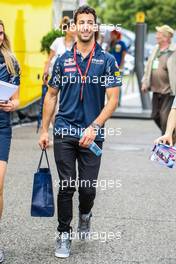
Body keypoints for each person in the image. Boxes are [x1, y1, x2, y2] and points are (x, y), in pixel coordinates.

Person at [39, 5, 121, 258]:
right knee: (67, 185)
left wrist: (95, 127)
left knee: (87, 188)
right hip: (64, 130)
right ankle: (63, 234)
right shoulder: (62, 61)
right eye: (81, 22)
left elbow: (113, 100)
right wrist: (44, 130)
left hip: (92, 134)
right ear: (74, 27)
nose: (85, 26)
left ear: (95, 27)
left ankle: (86, 213)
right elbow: (51, 96)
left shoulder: (107, 61)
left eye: (90, 22)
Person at [0, 20, 20, 263]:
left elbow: (17, 100)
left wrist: (12, 104)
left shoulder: (11, 62)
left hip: (2, 127)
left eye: (1, 31)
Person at [141, 25, 176, 135]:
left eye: (159, 34)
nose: (156, 36)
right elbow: (148, 66)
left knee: (165, 117)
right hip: (156, 90)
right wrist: (145, 82)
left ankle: (166, 140)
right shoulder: (156, 49)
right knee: (155, 115)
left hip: (168, 91)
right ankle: (170, 134)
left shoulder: (173, 51)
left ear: (166, 37)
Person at [42, 16, 75, 83]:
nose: (75, 30)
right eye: (72, 28)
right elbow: (49, 58)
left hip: (70, 80)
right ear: (66, 29)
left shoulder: (77, 44)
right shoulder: (58, 41)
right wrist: (45, 73)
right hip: (55, 77)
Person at [109, 30, 127, 106]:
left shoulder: (121, 43)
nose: (111, 36)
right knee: (110, 83)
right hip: (110, 67)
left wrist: (121, 65)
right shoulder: (111, 44)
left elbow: (124, 54)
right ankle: (110, 100)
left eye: (113, 35)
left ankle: (118, 101)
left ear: (116, 35)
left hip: (118, 67)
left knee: (117, 83)